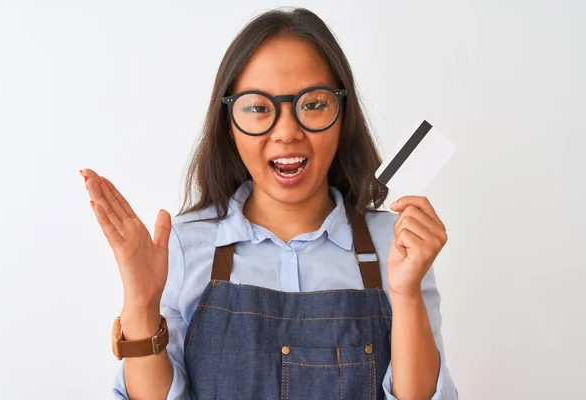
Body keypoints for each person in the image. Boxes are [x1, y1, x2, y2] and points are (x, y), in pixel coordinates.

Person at [81, 7, 457, 400]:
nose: (287, 132)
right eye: (259, 108)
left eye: (313, 104)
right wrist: (140, 305)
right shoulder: (182, 247)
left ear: (342, 115)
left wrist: (407, 293)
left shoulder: (396, 245)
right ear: (229, 124)